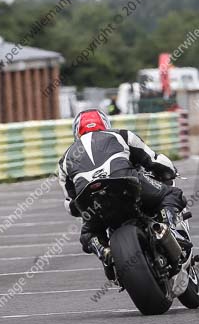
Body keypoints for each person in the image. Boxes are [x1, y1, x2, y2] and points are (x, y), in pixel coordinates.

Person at [58, 109, 188, 279]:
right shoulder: (121, 135)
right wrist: (170, 171)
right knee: (172, 194)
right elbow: (153, 160)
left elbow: (70, 205)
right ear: (105, 124)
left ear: (76, 132)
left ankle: (103, 251)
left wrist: (84, 207)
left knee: (88, 233)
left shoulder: (64, 160)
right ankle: (170, 229)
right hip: (125, 185)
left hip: (91, 200)